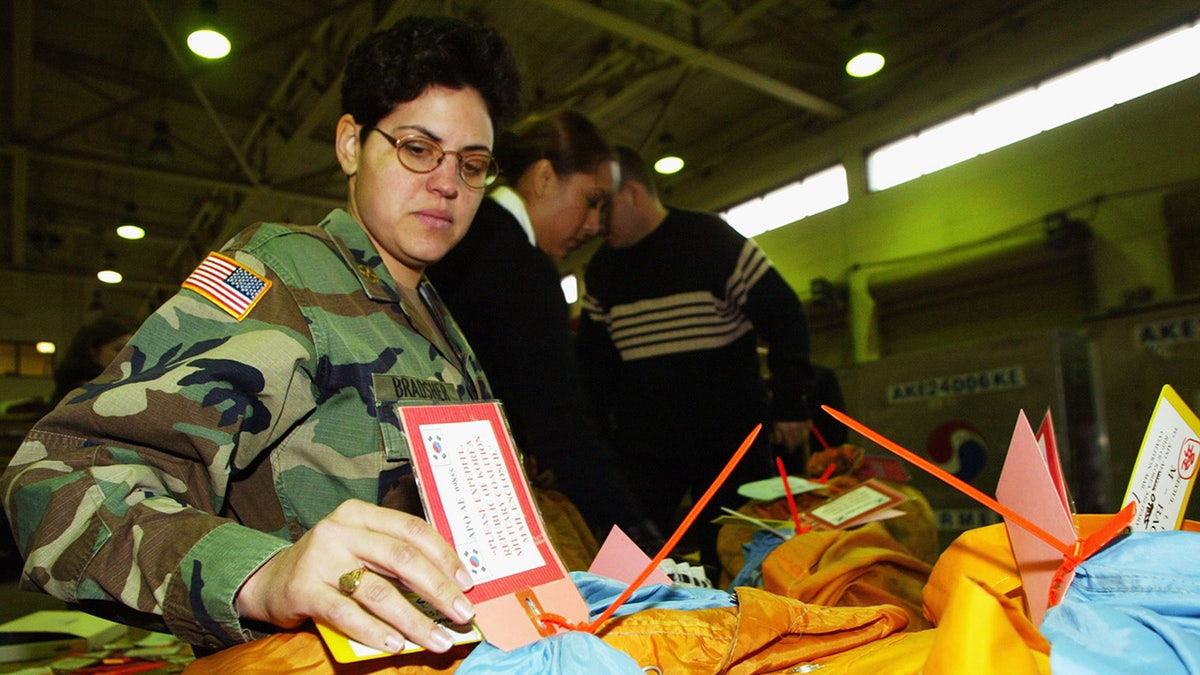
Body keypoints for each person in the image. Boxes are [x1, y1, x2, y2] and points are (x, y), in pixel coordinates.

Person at [1, 16, 521, 656]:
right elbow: (55, 478)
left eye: (472, 164)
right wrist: (258, 574)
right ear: (352, 144)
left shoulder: (438, 322)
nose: (447, 182)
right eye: (418, 148)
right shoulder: (281, 277)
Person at [426, 110, 662, 551]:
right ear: (543, 177)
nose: (595, 225)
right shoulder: (519, 267)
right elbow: (561, 425)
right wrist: (634, 536)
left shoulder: (465, 240)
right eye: (591, 200)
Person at [577, 145, 817, 568]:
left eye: (602, 209)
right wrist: (594, 441)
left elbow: (784, 314)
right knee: (628, 556)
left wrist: (791, 402)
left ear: (632, 193)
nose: (593, 224)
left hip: (730, 442)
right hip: (645, 450)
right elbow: (595, 368)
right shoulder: (601, 273)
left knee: (740, 554)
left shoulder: (712, 242)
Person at [51, 316, 134, 404]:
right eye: (118, 349)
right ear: (93, 351)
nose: (128, 355)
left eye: (131, 350)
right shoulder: (82, 394)